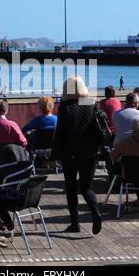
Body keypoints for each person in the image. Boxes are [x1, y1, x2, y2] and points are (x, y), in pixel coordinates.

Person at [49, 75, 102, 235]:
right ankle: (96, 213)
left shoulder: (65, 106)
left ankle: (75, 223)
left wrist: (53, 156)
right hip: (91, 152)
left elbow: (60, 134)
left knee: (71, 188)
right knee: (87, 187)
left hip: (69, 153)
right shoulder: (91, 103)